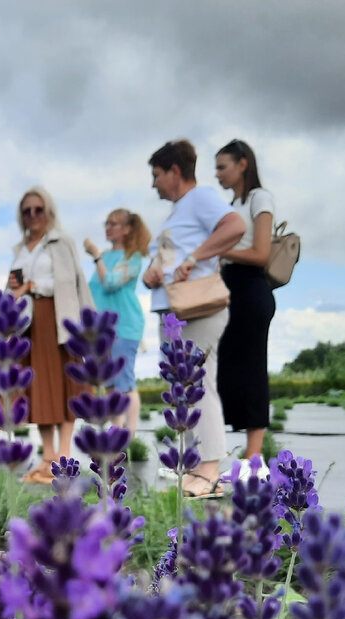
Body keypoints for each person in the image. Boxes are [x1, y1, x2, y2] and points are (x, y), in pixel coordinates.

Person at [142, 139, 246, 498]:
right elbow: (171, 256)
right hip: (174, 309)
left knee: (196, 384)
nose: (154, 183)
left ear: (174, 171)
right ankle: (201, 466)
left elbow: (234, 226)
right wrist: (154, 273)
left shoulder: (199, 199)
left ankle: (209, 471)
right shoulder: (178, 212)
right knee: (187, 387)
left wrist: (193, 260)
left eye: (156, 175)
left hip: (196, 308)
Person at [8, 186, 95, 483]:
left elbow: (75, 281)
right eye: (27, 211)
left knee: (65, 385)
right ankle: (47, 458)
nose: (33, 216)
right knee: (39, 390)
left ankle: (65, 457)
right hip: (27, 323)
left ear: (49, 211)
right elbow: (15, 287)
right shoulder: (19, 250)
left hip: (59, 317)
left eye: (38, 209)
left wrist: (89, 325)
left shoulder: (61, 242)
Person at [215, 139, 277, 469]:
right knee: (225, 370)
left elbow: (261, 253)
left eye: (222, 167)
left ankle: (255, 456)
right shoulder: (231, 204)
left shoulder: (259, 198)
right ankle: (230, 451)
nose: (217, 174)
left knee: (252, 369)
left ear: (242, 164)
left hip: (251, 286)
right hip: (228, 289)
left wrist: (219, 252)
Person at [83, 209, 151, 437]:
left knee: (124, 380)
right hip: (101, 330)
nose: (108, 227)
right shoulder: (105, 256)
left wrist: (95, 257)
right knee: (110, 382)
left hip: (125, 326)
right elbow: (95, 290)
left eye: (114, 224)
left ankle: (129, 434)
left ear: (127, 229)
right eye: (107, 223)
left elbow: (111, 282)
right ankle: (116, 431)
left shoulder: (133, 257)